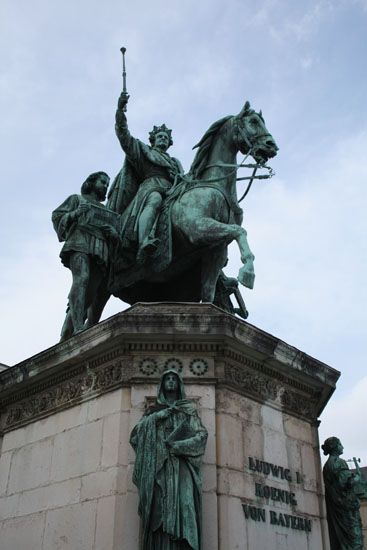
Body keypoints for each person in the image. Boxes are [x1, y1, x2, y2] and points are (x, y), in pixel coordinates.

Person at [130, 370, 208, 550]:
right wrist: (156, 418)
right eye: (168, 379)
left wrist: (179, 446)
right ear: (162, 385)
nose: (171, 382)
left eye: (174, 379)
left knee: (186, 506)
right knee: (159, 510)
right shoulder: (153, 412)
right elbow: (135, 436)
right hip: (158, 469)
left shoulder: (188, 410)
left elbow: (201, 435)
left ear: (179, 384)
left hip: (181, 466)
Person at [108, 92, 184, 264]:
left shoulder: (174, 162)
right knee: (155, 200)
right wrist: (120, 110)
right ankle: (144, 241)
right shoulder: (143, 151)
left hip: (174, 190)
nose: (163, 139)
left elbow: (184, 178)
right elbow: (124, 136)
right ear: (153, 140)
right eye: (160, 137)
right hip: (152, 187)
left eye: (166, 137)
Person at [52, 171, 120, 341]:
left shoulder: (107, 211)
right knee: (81, 279)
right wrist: (75, 213)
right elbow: (57, 216)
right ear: (91, 182)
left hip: (100, 248)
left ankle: (67, 331)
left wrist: (113, 234)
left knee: (90, 293)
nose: (105, 186)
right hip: (80, 241)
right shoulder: (77, 199)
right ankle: (78, 328)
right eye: (102, 182)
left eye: (107, 184)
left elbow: (116, 239)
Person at [322, 437, 364, 550]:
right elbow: (346, 483)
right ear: (335, 447)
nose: (342, 447)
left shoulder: (326, 466)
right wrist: (358, 478)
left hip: (336, 509)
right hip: (346, 510)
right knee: (355, 542)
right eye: (340, 444)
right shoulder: (339, 462)